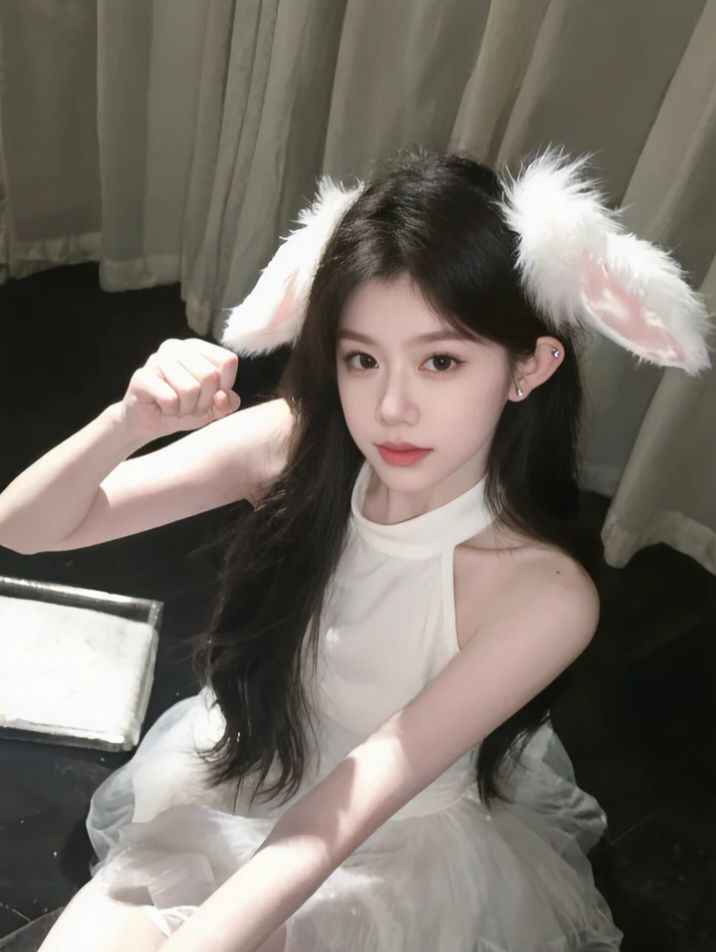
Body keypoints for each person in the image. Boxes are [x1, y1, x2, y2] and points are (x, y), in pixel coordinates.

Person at [15, 145, 711, 952]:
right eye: (363, 359)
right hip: (255, 765)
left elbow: (343, 812)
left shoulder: (545, 598)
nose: (392, 407)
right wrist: (129, 421)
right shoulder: (296, 447)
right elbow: (27, 528)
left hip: (387, 845)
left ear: (529, 366)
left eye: (441, 361)